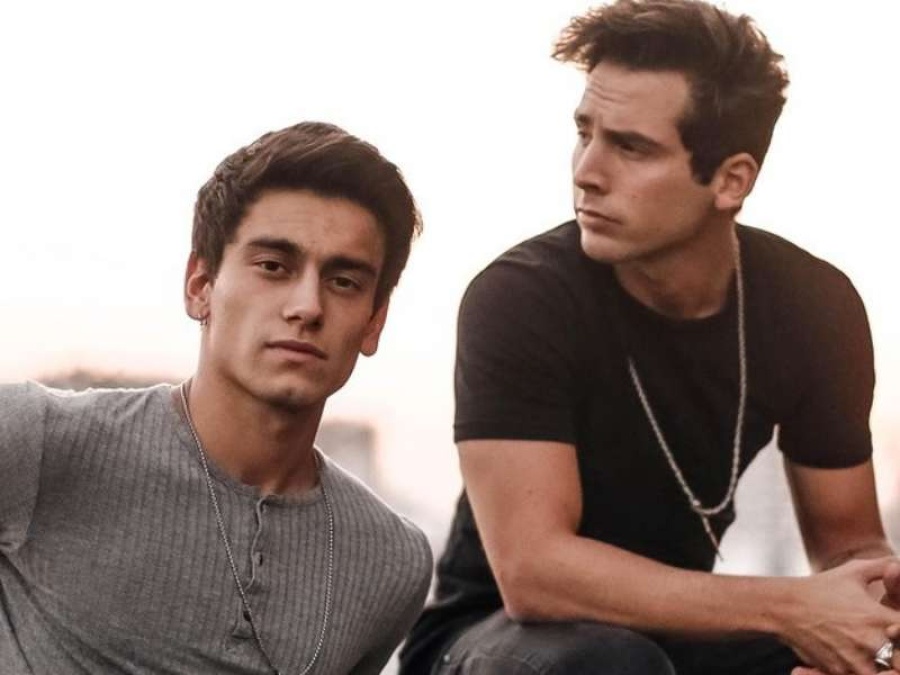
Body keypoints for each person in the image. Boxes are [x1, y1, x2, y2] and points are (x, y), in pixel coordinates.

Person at [399, 2, 900, 674]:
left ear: (731, 180)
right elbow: (534, 572)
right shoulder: (521, 298)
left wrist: (873, 621)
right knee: (609, 661)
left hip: (679, 632)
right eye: (585, 133)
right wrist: (792, 609)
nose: (587, 170)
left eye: (630, 147)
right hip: (493, 637)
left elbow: (849, 547)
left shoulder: (813, 307)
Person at [0, 121, 433, 674]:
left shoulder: (392, 562)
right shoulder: (37, 444)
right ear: (200, 285)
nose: (307, 306)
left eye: (343, 281)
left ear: (374, 322)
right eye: (273, 267)